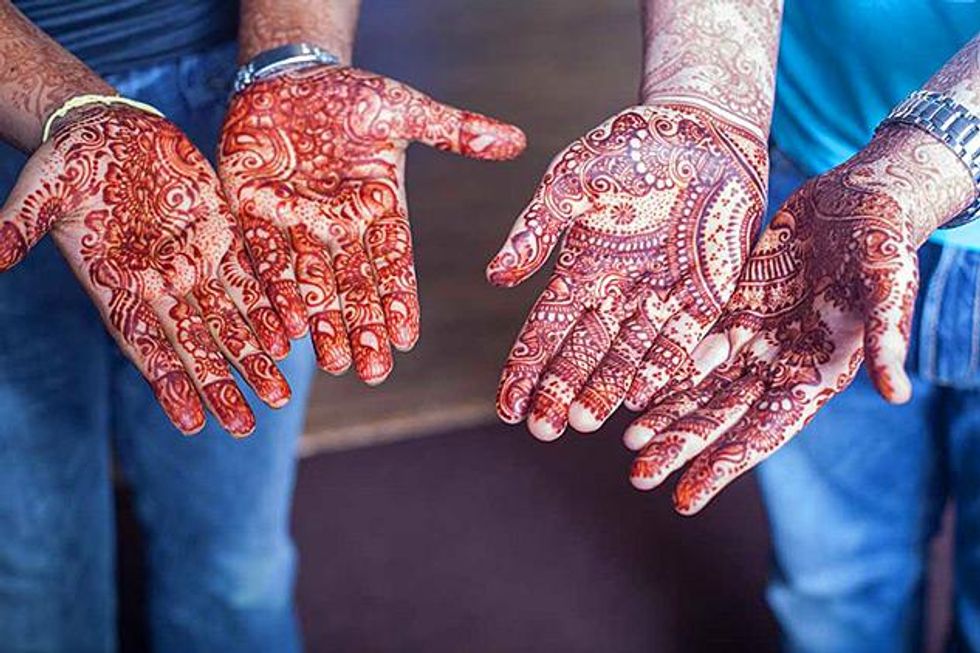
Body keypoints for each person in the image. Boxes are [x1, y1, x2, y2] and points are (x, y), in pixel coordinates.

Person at [0, 0, 523, 650]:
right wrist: (61, 101)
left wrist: (293, 53)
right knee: (31, 561)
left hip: (236, 92)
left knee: (236, 562)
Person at [490, 2, 980, 651]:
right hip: (811, 201)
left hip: (857, 182)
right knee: (832, 577)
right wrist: (704, 97)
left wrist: (917, 170)